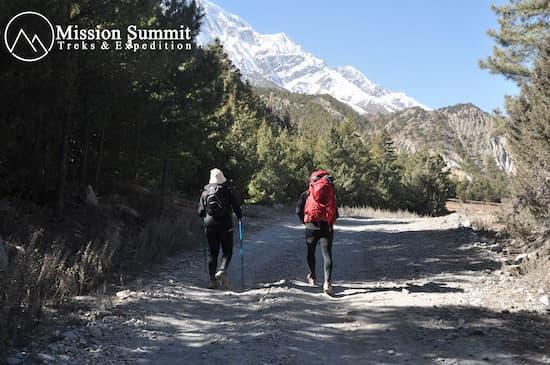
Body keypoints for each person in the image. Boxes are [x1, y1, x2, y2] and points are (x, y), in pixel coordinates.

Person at [198, 168, 242, 289]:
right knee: (227, 250)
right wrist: (239, 217)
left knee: (213, 253)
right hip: (225, 225)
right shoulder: (227, 191)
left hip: (209, 225)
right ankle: (222, 270)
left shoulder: (205, 192)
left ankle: (212, 281)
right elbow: (236, 207)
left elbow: (200, 212)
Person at [296, 170, 338, 295]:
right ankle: (327, 283)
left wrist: (305, 223)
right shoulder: (331, 194)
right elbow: (336, 213)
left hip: (311, 225)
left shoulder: (307, 194)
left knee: (311, 252)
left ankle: (313, 276)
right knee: (327, 255)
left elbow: (298, 211)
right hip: (326, 227)